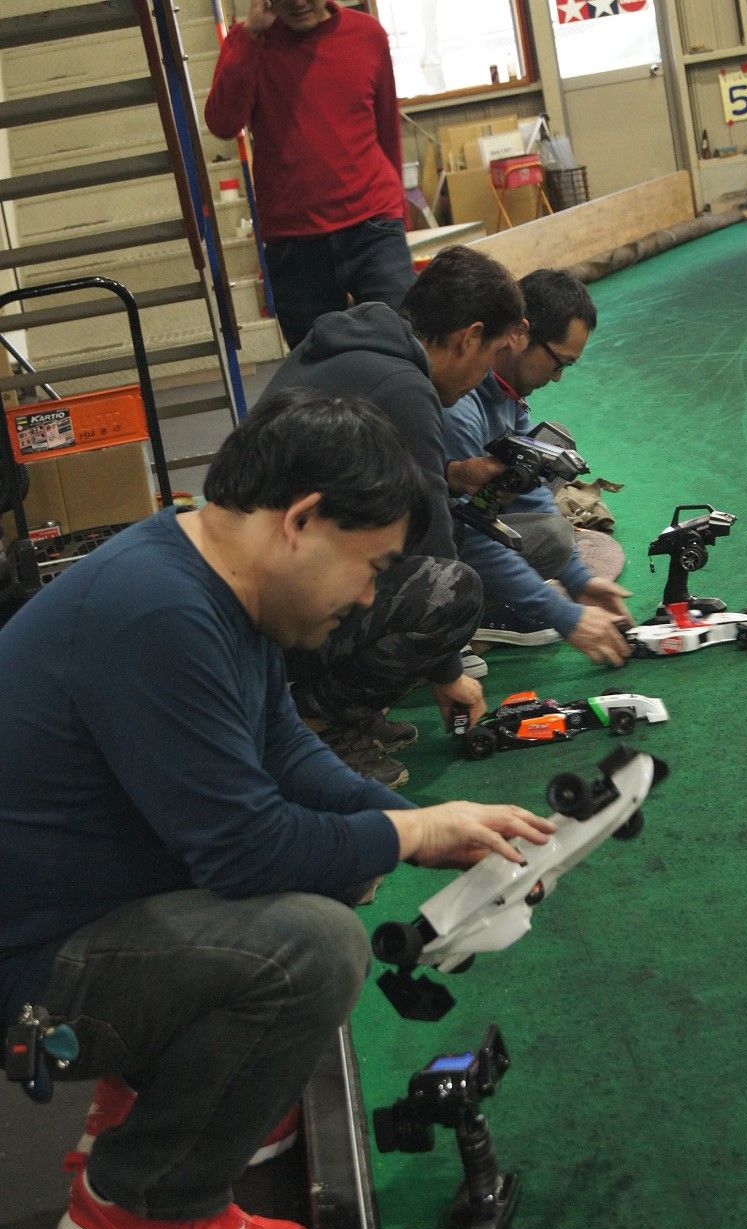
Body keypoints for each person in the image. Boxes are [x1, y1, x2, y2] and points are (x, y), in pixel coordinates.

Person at [0, 391, 554, 1229]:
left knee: (343, 854)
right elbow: (245, 849)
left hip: (80, 917)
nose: (368, 596)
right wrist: (412, 836)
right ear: (301, 521)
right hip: (32, 979)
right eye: (371, 565)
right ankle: (141, 1208)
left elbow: (285, 751)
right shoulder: (158, 611)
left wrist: (429, 826)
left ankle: (160, 1099)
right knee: (313, 946)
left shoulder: (205, 578)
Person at [257, 246, 526, 780]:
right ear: (469, 336)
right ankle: (313, 725)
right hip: (275, 622)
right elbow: (432, 543)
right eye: (493, 353)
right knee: (453, 590)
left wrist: (452, 475)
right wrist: (448, 672)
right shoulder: (405, 386)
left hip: (258, 594)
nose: (485, 374)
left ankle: (333, 709)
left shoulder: (357, 342)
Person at [442, 269, 633, 669]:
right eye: (559, 362)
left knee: (552, 447)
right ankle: (457, 626)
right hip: (426, 552)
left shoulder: (505, 390)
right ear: (520, 334)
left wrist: (579, 581)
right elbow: (468, 535)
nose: (558, 377)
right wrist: (563, 615)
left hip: (453, 526)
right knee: (552, 535)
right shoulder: (459, 407)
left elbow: (530, 491)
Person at [204, 0, 416, 350]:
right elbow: (223, 123)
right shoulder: (252, 43)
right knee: (316, 366)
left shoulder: (367, 34)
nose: (298, 3)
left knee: (403, 349)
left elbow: (387, 129)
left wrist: (398, 215)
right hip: (294, 240)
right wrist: (249, 36)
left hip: (372, 226)